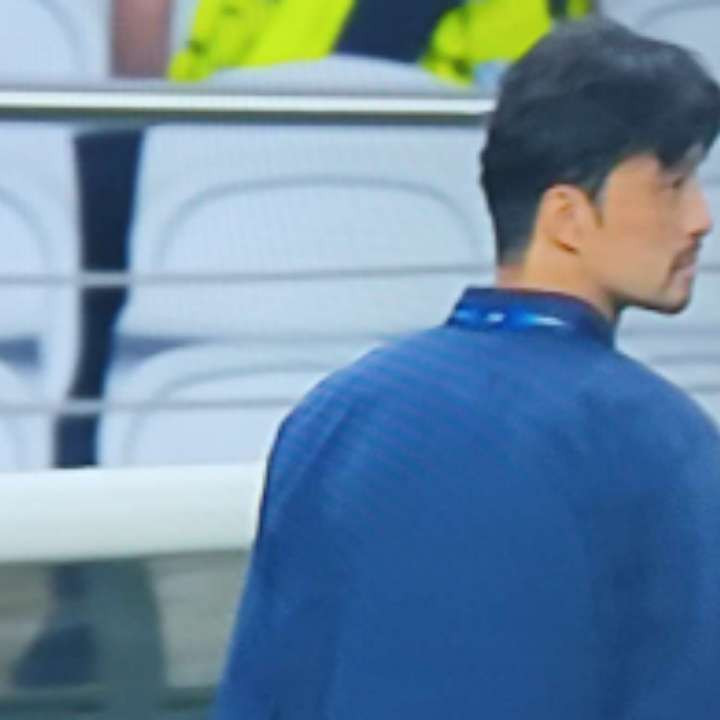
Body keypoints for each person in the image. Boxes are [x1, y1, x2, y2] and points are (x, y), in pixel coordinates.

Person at [213, 18, 720, 719]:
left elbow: (264, 689)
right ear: (568, 216)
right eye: (672, 184)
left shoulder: (336, 415)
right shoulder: (661, 444)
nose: (700, 218)